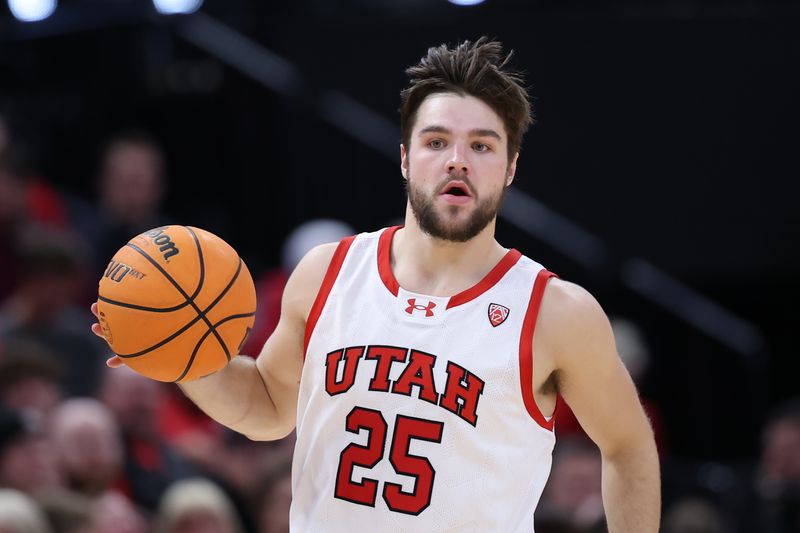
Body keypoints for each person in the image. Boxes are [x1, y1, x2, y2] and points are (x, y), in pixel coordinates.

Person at [93, 38, 660, 531]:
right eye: (436, 141)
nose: (457, 160)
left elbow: (629, 446)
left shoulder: (554, 312)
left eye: (482, 146)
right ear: (406, 159)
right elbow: (267, 407)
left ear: (510, 168)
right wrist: (170, 345)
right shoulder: (326, 272)